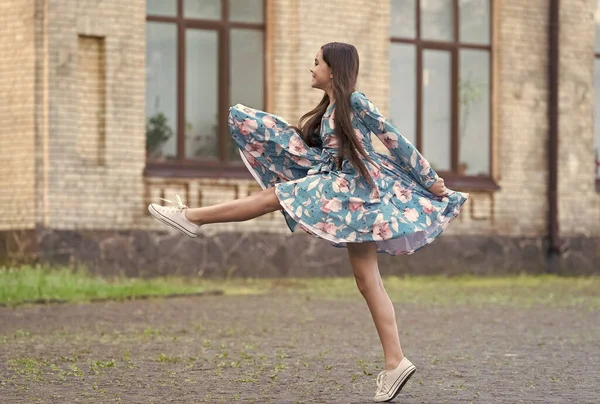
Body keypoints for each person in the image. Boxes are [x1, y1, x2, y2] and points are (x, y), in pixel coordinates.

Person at [148, 42, 468, 402]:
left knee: (276, 196)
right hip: (350, 196)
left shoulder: (355, 103)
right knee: (367, 280)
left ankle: (192, 218)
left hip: (355, 190)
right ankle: (396, 363)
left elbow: (395, 141)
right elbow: (318, 152)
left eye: (317, 63)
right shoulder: (328, 110)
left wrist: (430, 180)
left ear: (334, 69)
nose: (311, 68)